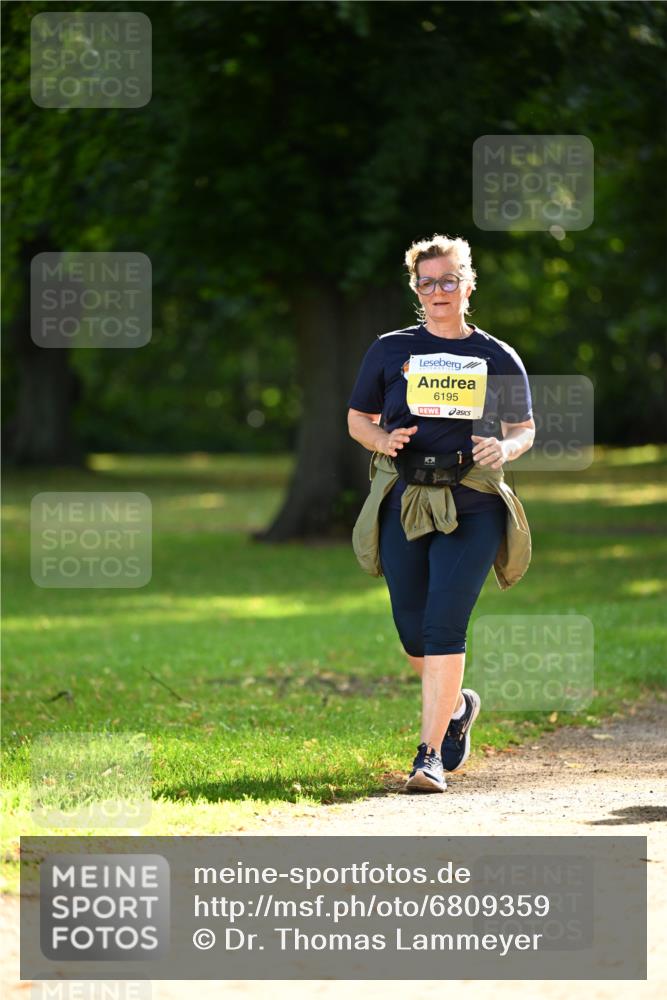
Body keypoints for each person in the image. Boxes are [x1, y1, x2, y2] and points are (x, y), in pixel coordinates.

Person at [347, 234, 535, 793]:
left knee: (443, 624)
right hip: (404, 499)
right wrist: (382, 440)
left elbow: (524, 428)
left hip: (473, 502)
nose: (438, 291)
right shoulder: (389, 350)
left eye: (449, 280)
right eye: (426, 282)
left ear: (468, 286)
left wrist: (505, 448)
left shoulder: (496, 355)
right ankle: (456, 708)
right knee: (412, 631)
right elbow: (358, 419)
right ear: (416, 289)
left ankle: (427, 756)